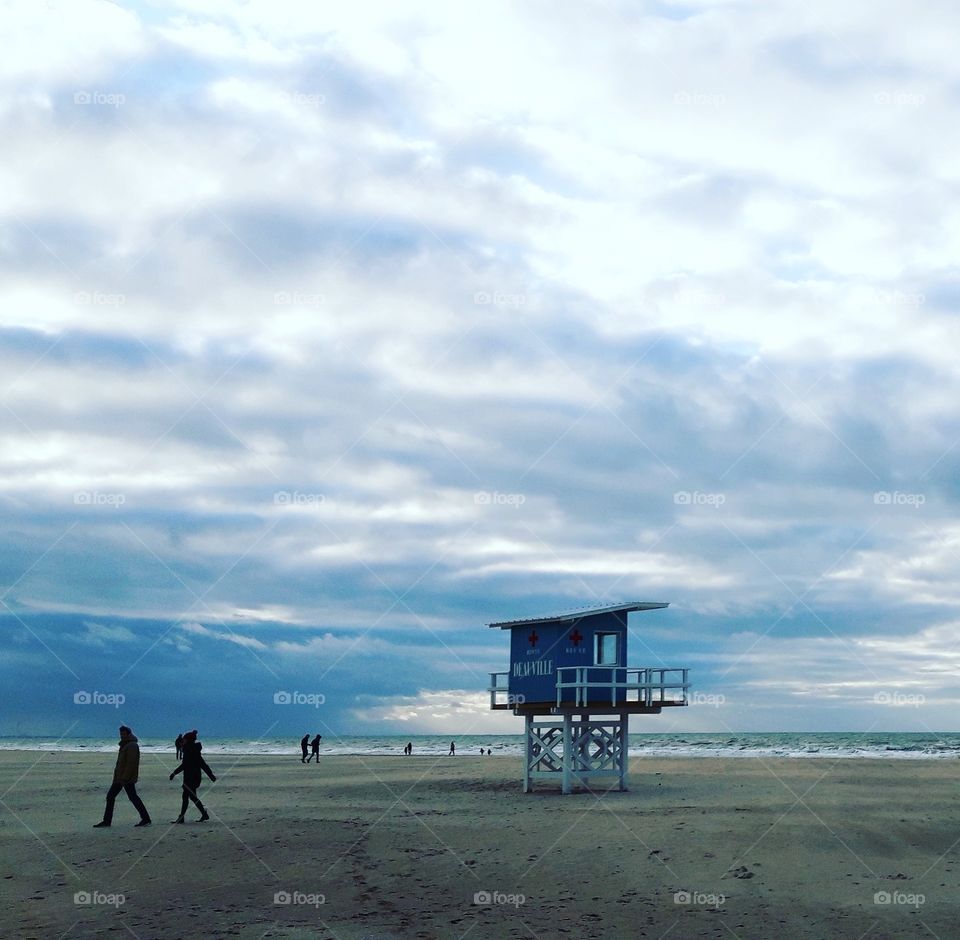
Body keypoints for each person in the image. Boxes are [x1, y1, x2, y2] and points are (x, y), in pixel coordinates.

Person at [93, 725, 151, 828]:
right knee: (129, 797)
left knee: (117, 796)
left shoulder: (132, 745)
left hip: (125, 778)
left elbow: (131, 763)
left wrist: (124, 778)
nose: (121, 736)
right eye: (121, 734)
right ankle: (145, 818)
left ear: (128, 734)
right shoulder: (125, 745)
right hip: (120, 777)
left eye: (123, 734)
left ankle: (107, 821)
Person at [169, 729, 216, 823]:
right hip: (193, 777)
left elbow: (185, 765)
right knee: (190, 797)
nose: (183, 740)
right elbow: (203, 764)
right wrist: (211, 775)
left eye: (184, 739)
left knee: (188, 797)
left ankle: (182, 817)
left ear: (188, 740)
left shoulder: (189, 750)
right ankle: (203, 814)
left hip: (191, 778)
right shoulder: (193, 750)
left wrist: (174, 773)